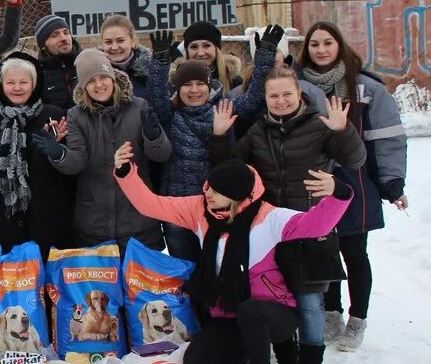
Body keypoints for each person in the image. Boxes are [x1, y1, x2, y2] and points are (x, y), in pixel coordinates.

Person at [113, 153, 353, 364]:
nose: (209, 194)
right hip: (230, 314)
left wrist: (340, 193)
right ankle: (247, 352)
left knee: (252, 311)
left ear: (238, 197)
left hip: (275, 312)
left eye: (217, 191)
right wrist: (126, 172)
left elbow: (316, 225)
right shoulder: (199, 210)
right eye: (208, 187)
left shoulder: (269, 217)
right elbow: (152, 205)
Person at [212, 65, 367, 364]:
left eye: (287, 94)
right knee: (273, 300)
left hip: (313, 231)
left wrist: (343, 132)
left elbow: (355, 160)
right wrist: (221, 138)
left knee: (311, 306)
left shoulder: (320, 127)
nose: (280, 101)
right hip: (272, 232)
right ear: (265, 99)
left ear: (299, 94)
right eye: (273, 95)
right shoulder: (258, 131)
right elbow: (231, 172)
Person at [299, 21, 408, 351]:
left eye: (327, 43)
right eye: (314, 44)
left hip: (356, 185)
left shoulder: (366, 88)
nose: (321, 50)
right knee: (323, 250)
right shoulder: (298, 85)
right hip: (315, 185)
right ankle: (331, 313)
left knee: (355, 255)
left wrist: (392, 183)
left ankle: (357, 320)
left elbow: (386, 139)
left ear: (339, 46)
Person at [146, 24, 282, 262]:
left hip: (216, 206)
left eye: (200, 84)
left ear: (210, 87)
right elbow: (155, 93)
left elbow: (255, 96)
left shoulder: (224, 108)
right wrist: (159, 61)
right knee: (184, 269)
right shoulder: (170, 114)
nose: (194, 90)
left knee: (215, 268)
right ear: (178, 88)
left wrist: (266, 56)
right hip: (178, 210)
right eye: (187, 84)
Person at [0, 52, 74, 260]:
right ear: (1, 85)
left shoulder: (53, 113)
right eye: (10, 82)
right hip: (0, 215)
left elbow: (64, 168)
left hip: (44, 214)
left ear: (35, 84)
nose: (17, 88)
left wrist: (53, 148)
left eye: (23, 82)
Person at [54, 51, 172, 250]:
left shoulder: (139, 107)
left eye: (103, 77)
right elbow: (77, 161)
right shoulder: (76, 116)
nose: (99, 85)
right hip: (94, 224)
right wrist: (58, 154)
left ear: (113, 77)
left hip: (139, 220)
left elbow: (161, 155)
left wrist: (154, 138)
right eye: (91, 81)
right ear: (83, 87)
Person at [178, 22, 246, 93]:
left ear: (216, 48)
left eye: (206, 46)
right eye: (194, 47)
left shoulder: (234, 80)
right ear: (187, 51)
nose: (200, 53)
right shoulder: (176, 80)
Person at [34, 13, 83, 112]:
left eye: (66, 33)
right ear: (43, 45)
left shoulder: (86, 63)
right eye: (54, 35)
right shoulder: (36, 74)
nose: (63, 38)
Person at [99, 14, 153, 99]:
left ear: (132, 41)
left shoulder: (150, 70)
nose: (114, 47)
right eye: (108, 42)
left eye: (120, 40)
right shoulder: (94, 73)